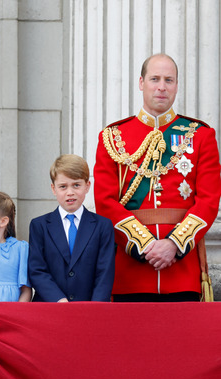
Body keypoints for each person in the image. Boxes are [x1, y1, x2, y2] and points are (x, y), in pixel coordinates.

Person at [94, 54, 221, 302]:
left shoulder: (201, 136)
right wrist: (146, 247)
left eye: (169, 80)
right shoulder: (112, 136)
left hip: (182, 273)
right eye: (155, 79)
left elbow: (208, 201)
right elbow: (105, 202)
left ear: (176, 85)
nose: (162, 87)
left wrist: (174, 244)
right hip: (131, 274)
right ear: (141, 83)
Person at [29, 155, 115, 302]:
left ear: (87, 186)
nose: (70, 192)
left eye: (76, 185)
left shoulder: (103, 226)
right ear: (53, 189)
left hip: (89, 309)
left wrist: (96, 307)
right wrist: (58, 299)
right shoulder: (39, 226)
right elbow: (37, 270)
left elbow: (105, 272)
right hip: (49, 307)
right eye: (63, 186)